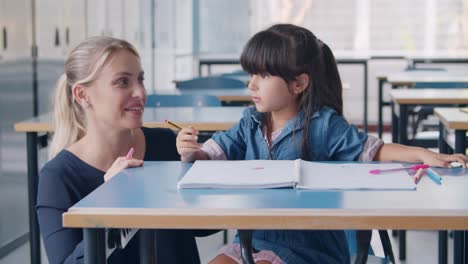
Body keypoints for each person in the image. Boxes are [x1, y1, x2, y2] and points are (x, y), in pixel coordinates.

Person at [176, 24, 468, 264]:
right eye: (251, 74)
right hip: (252, 240)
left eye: (263, 76)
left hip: (308, 248)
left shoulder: (323, 124)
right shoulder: (250, 122)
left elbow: (374, 150)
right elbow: (210, 155)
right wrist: (192, 151)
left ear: (298, 84)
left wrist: (423, 153)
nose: (251, 84)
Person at [37, 36, 203, 264]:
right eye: (123, 82)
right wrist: (108, 203)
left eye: (140, 80)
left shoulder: (165, 143)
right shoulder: (58, 177)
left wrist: (196, 170)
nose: (140, 93)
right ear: (82, 95)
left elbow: (203, 229)